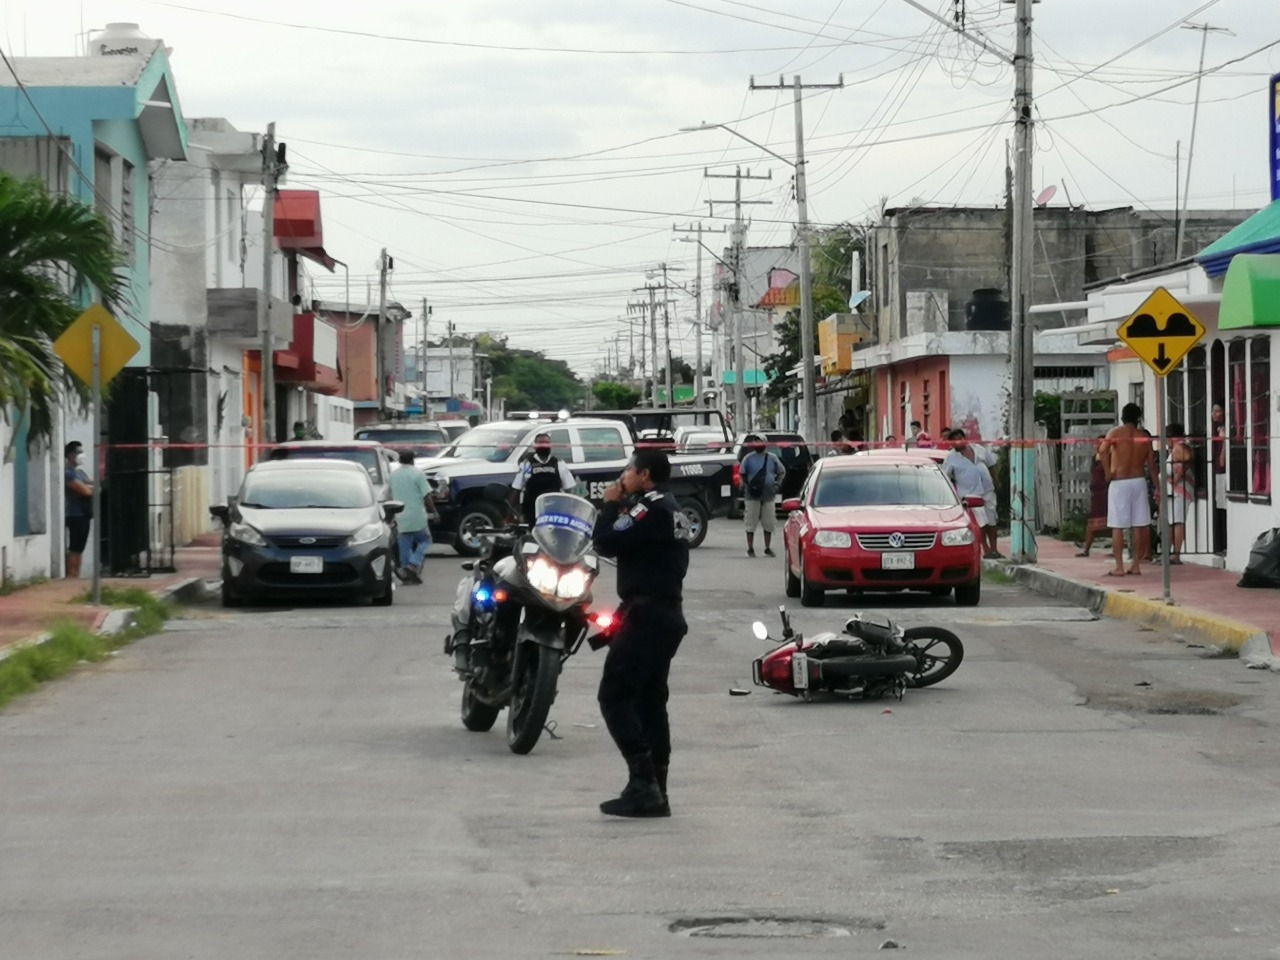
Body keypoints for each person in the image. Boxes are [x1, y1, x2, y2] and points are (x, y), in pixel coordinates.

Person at [592, 449, 690, 818]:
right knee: (650, 702)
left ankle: (643, 783)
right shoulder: (670, 507)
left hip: (647, 616)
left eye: (628, 470)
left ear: (644, 474)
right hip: (664, 613)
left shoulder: (649, 509)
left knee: (614, 697)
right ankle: (657, 790)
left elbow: (604, 541)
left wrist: (608, 505)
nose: (623, 476)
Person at [1102, 403, 1156, 576]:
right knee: (1138, 524)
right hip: (1138, 481)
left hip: (1120, 481)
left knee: (1117, 525)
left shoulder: (1115, 433)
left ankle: (1119, 566)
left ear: (1122, 416)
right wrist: (1158, 487)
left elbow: (1103, 451)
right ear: (1138, 418)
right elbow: (1152, 466)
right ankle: (1136, 564)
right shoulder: (1143, 437)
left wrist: (1107, 472)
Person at [942, 429, 995, 549]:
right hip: (970, 495)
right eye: (954, 440)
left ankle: (995, 549)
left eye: (960, 438)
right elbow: (946, 478)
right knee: (981, 523)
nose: (958, 441)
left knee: (992, 520)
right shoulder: (950, 458)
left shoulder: (979, 449)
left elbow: (991, 465)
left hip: (987, 490)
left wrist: (996, 481)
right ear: (951, 443)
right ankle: (986, 550)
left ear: (964, 438)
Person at [388, 449, 434, 583]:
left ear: (400, 461)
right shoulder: (418, 474)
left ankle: (406, 572)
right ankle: (413, 564)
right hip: (417, 516)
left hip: (400, 515)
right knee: (426, 540)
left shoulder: (393, 475)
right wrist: (434, 511)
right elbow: (427, 496)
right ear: (412, 460)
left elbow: (387, 494)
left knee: (404, 545)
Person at [510, 432, 576, 526]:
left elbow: (570, 489)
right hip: (532, 511)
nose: (544, 446)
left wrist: (571, 510)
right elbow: (516, 489)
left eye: (546, 444)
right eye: (541, 444)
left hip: (554, 511)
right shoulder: (526, 464)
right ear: (535, 446)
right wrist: (513, 513)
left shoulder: (559, 464)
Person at [739, 435, 785, 558]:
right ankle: (750, 548)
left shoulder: (772, 458)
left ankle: (767, 548)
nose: (757, 444)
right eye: (756, 442)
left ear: (765, 443)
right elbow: (742, 474)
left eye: (760, 442)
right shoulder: (748, 459)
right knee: (750, 523)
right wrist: (744, 485)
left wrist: (777, 486)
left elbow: (781, 472)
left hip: (768, 496)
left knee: (768, 523)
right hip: (751, 496)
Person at [1165, 423, 1195, 564]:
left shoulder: (1179, 447)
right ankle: (1172, 552)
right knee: (1172, 522)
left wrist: (1177, 477)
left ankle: (1176, 554)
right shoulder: (1175, 448)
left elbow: (1188, 459)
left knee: (1178, 521)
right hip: (1174, 491)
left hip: (1181, 491)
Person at [64, 441, 94, 579]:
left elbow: (94, 486)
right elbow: (85, 491)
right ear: (71, 455)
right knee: (74, 548)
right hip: (75, 514)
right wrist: (88, 488)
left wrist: (88, 488)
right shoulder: (68, 473)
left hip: (84, 513)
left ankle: (76, 576)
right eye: (78, 452)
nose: (82, 455)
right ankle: (71, 576)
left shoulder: (79, 473)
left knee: (80, 548)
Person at [1076, 435, 1109, 558]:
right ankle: (1086, 549)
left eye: (1101, 443)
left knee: (1113, 522)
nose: (1098, 446)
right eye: (1097, 443)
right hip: (1096, 493)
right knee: (1092, 523)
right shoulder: (1094, 458)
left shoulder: (1108, 457)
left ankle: (1119, 548)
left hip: (1106, 491)